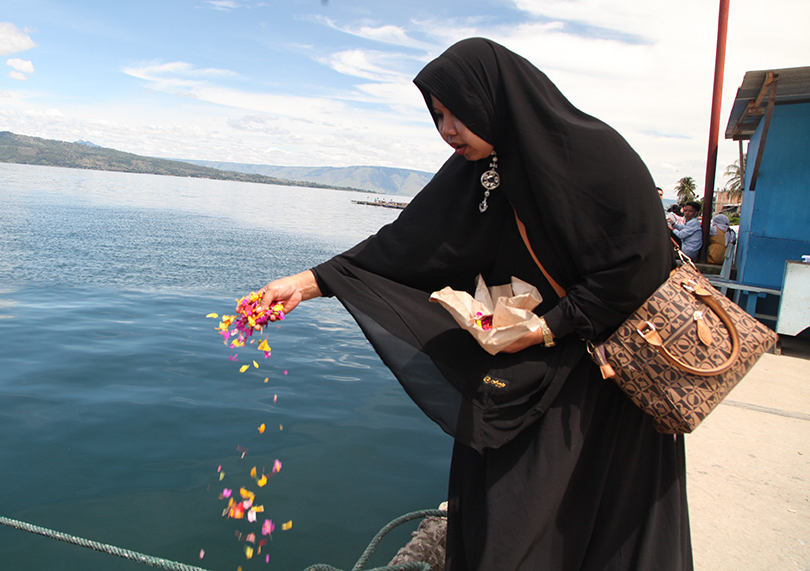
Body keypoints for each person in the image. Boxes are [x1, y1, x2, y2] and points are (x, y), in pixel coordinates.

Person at [258, 38, 691, 570]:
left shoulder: (595, 155)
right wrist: (304, 284)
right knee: (494, 516)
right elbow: (409, 243)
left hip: (602, 385)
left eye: (454, 112)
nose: (446, 130)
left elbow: (639, 266)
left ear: (490, 97)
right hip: (522, 377)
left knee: (588, 527)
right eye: (436, 116)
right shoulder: (482, 169)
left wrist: (550, 327)